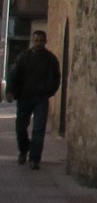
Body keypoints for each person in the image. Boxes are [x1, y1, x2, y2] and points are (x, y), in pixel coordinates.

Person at [5, 30, 61, 169]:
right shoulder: (24, 57)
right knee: (20, 127)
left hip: (41, 98)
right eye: (36, 41)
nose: (39, 43)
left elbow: (56, 78)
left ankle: (35, 158)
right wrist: (10, 91)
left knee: (39, 129)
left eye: (41, 41)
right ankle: (24, 150)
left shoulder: (50, 59)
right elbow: (14, 74)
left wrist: (49, 91)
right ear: (32, 41)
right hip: (24, 97)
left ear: (45, 41)